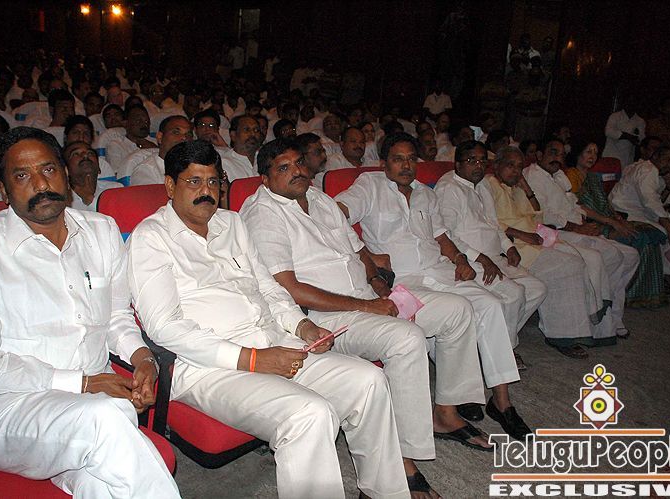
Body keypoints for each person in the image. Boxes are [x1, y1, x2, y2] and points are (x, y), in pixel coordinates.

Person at [127, 140, 409, 499]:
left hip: (273, 341)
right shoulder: (151, 238)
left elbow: (268, 287)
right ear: (170, 186)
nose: (206, 191)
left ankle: (384, 492)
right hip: (210, 368)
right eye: (194, 182)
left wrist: (302, 326)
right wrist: (252, 359)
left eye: (213, 181)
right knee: (309, 414)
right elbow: (164, 327)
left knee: (369, 380)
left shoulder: (232, 223)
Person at [242, 137, 492, 499]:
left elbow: (359, 251)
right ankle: (401, 459)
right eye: (284, 167)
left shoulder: (319, 199)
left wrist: (377, 285)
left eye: (299, 163)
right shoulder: (263, 213)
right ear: (265, 179)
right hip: (325, 318)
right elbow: (288, 289)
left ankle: (445, 412)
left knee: (457, 310)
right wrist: (366, 306)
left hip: (365, 297)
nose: (297, 171)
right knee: (406, 338)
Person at [0, 127, 180, 498]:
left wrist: (143, 358)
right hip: (2, 408)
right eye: (22, 176)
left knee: (103, 482)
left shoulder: (101, 231)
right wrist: (84, 383)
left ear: (64, 173)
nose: (40, 184)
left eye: (48, 169)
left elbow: (116, 316)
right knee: (107, 419)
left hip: (92, 405)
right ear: (3, 189)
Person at [336, 132, 535, 435]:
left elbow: (441, 236)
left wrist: (460, 259)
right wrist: (366, 255)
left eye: (410, 159)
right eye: (398, 159)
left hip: (439, 270)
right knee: (458, 310)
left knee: (490, 305)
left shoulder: (425, 194)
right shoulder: (370, 185)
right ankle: (454, 401)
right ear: (383, 163)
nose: (406, 165)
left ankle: (502, 402)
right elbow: (335, 214)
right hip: (401, 282)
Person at [487, 146, 629, 356]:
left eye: (519, 167)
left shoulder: (515, 187)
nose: (516, 171)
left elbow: (536, 214)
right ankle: (563, 334)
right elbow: (491, 223)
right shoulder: (488, 185)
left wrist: (525, 188)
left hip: (536, 237)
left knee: (582, 258)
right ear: (497, 165)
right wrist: (524, 235)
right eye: (510, 165)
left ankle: (586, 325)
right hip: (515, 245)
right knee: (569, 265)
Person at [432, 140, 547, 353]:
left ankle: (494, 341)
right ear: (458, 164)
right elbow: (447, 235)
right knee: (513, 294)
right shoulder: (449, 189)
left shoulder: (483, 184)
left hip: (494, 257)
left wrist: (508, 246)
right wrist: (481, 258)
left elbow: (493, 223)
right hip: (469, 260)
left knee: (536, 288)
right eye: (472, 160)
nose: (478, 166)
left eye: (482, 161)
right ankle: (503, 351)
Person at [524, 139, 639, 341]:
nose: (557, 158)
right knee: (610, 255)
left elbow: (574, 204)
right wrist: (578, 228)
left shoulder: (558, 175)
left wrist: (587, 223)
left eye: (561, 155)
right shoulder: (533, 176)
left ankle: (612, 316)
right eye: (552, 152)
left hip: (576, 227)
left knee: (631, 255)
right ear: (539, 155)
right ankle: (597, 317)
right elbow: (543, 214)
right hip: (555, 231)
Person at [565, 140, 668, 309]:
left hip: (607, 219)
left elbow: (605, 202)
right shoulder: (571, 175)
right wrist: (610, 221)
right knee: (637, 237)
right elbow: (577, 206)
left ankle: (643, 293)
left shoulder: (593, 176)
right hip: (590, 223)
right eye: (588, 152)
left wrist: (617, 218)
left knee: (650, 234)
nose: (592, 156)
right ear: (578, 153)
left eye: (596, 153)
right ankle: (632, 293)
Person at [610, 146, 670, 276]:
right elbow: (651, 202)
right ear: (655, 156)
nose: (669, 165)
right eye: (667, 160)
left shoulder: (654, 172)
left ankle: (661, 268)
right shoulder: (647, 170)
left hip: (641, 213)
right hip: (625, 213)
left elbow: (658, 201)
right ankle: (660, 268)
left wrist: (668, 187)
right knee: (669, 233)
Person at [126, 115, 193, 186]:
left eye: (188, 134)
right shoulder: (146, 171)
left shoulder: (195, 165)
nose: (184, 137)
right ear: (160, 137)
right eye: (176, 132)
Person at [63, 141, 122, 211]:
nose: (85, 155)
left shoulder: (115, 189)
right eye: (76, 154)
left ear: (99, 168)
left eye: (90, 153)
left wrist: (89, 199)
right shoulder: (61, 199)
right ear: (66, 170)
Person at [105, 105, 157, 173]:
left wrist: (155, 149)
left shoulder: (156, 142)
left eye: (146, 121)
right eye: (138, 121)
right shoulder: (116, 145)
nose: (144, 124)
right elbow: (117, 173)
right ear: (126, 123)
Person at [602, 96, 646, 167]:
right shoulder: (615, 116)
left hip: (627, 159)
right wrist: (628, 136)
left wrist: (635, 138)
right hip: (611, 155)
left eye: (634, 103)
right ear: (625, 103)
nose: (631, 105)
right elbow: (608, 131)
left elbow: (641, 140)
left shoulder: (640, 121)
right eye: (629, 102)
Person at [220, 115, 262, 181]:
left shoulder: (266, 159)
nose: (253, 134)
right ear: (233, 135)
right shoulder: (224, 163)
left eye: (256, 130)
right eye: (246, 130)